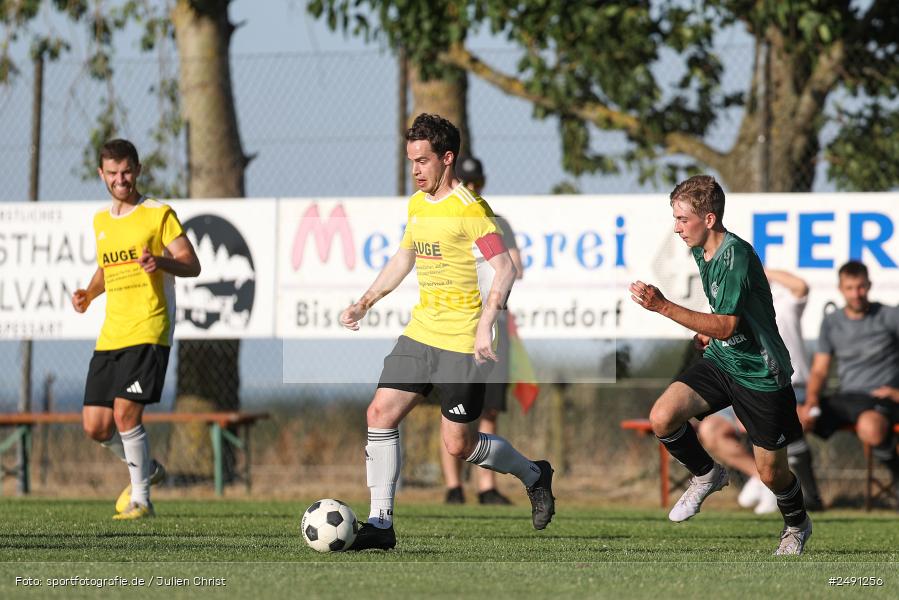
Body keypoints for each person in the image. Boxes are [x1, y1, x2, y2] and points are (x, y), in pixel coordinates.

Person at [339, 114, 555, 550]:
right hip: (421, 333)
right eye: (411, 161)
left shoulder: (471, 210)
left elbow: (505, 268)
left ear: (447, 158)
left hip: (461, 342)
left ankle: (534, 473)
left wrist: (484, 326)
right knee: (380, 413)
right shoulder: (417, 205)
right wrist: (365, 300)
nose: (415, 170)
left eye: (422, 161)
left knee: (458, 444)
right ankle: (381, 524)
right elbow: (403, 259)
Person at [630, 174, 811, 555]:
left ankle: (796, 525)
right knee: (663, 416)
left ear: (708, 219)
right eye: (675, 218)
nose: (676, 228)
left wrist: (663, 306)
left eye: (682, 219)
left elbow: (728, 325)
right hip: (723, 361)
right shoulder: (702, 251)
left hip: (761, 374)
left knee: (771, 474)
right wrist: (709, 333)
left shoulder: (736, 256)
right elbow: (729, 319)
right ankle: (707, 474)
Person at [72, 139, 201, 519]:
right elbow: (105, 269)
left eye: (126, 171)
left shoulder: (157, 214)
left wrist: (160, 262)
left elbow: (191, 264)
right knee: (95, 426)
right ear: (102, 175)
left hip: (149, 328)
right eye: (112, 173)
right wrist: (89, 294)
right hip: (112, 334)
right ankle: (146, 468)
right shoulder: (101, 222)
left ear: (138, 170)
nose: (120, 179)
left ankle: (141, 499)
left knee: (127, 414)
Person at [696, 269, 824, 513]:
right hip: (745, 389)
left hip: (790, 388)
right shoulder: (729, 310)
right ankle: (761, 480)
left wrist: (761, 271)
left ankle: (784, 490)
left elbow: (801, 287)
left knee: (761, 423)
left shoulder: (783, 303)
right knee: (710, 429)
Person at [441, 155, 525, 506]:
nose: (472, 189)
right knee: (449, 410)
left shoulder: (496, 221)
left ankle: (486, 486)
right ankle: (453, 486)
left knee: (488, 409)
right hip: (454, 323)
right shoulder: (445, 218)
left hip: (491, 324)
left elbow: (515, 268)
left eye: (477, 184)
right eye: (467, 182)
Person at [799, 261, 899, 507]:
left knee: (870, 427)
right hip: (846, 398)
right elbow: (820, 369)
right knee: (795, 421)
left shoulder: (889, 316)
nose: (856, 293)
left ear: (869, 286)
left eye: (861, 287)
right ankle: (810, 499)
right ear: (841, 289)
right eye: (850, 288)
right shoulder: (832, 322)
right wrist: (811, 401)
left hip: (880, 399)